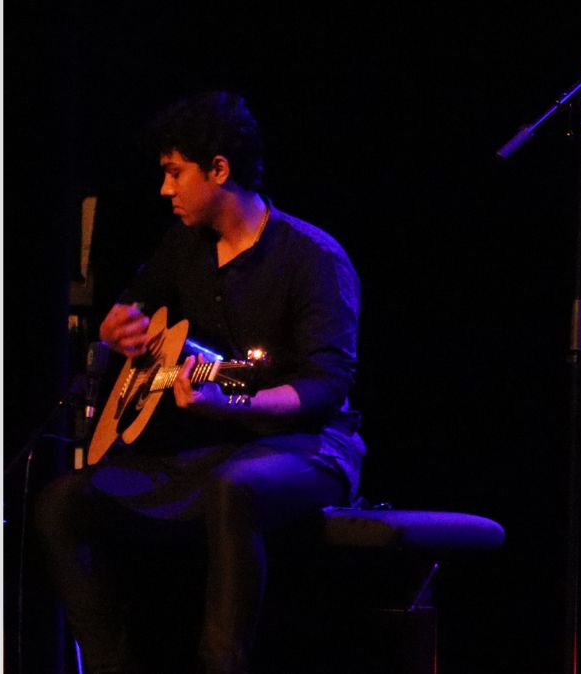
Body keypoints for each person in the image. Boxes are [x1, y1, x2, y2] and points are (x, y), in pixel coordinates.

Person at [35, 92, 364, 674]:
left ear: (218, 170)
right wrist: (120, 324)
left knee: (233, 488)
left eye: (174, 173)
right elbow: (137, 303)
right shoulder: (185, 248)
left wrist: (239, 402)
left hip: (311, 447)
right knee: (65, 501)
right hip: (215, 447)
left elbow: (324, 386)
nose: (165, 190)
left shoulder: (313, 257)